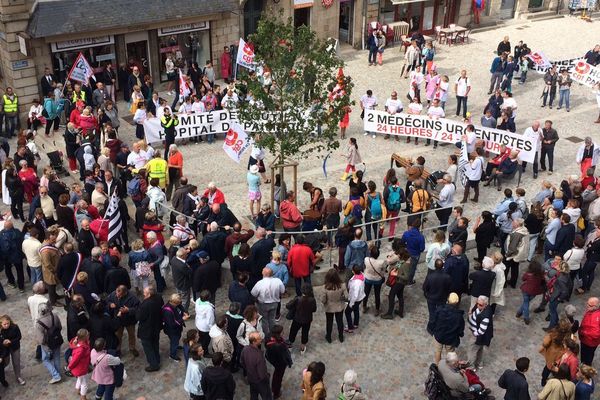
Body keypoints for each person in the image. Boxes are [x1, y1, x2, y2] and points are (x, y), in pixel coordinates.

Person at [251, 268, 285, 340]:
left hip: (263, 304)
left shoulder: (259, 283)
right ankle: (274, 334)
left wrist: (256, 301)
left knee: (264, 320)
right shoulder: (278, 281)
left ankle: (267, 336)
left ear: (264, 274)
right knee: (272, 319)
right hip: (275, 303)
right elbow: (283, 291)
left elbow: (253, 294)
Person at [430, 293, 464, 365]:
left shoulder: (440, 310)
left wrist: (433, 330)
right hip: (450, 339)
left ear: (448, 300)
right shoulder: (459, 316)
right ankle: (449, 367)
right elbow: (461, 330)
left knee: (438, 351)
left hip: (439, 335)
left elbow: (433, 321)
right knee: (450, 354)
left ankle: (438, 366)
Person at [136, 286, 164, 372]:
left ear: (148, 294)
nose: (143, 294)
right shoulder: (159, 297)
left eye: (144, 292)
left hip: (147, 330)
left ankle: (154, 365)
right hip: (156, 327)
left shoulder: (145, 304)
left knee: (148, 348)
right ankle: (157, 359)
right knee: (155, 344)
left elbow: (140, 317)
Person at [35, 302, 63, 384]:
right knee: (57, 357)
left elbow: (41, 340)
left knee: (45, 359)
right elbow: (60, 327)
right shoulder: (54, 316)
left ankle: (56, 375)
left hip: (47, 344)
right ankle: (58, 374)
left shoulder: (39, 323)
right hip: (57, 340)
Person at [381, 245, 411, 320]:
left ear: (402, 255)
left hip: (399, 282)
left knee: (391, 295)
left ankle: (389, 313)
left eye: (398, 255)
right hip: (399, 282)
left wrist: (396, 274)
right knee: (400, 295)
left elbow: (406, 277)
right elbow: (397, 266)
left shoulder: (406, 264)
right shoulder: (402, 261)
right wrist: (394, 269)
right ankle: (400, 312)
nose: (397, 256)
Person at [423, 259, 452, 333]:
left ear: (435, 266)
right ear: (442, 266)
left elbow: (425, 287)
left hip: (431, 298)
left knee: (432, 313)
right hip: (442, 298)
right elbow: (449, 288)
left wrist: (427, 294)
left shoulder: (430, 276)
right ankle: (438, 326)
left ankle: (431, 328)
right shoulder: (447, 277)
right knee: (440, 312)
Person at [240, 331, 272, 400]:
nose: (261, 340)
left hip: (251, 378)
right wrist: (267, 376)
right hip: (260, 382)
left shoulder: (245, 349)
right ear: (254, 342)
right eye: (259, 339)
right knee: (266, 396)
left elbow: (242, 362)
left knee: (253, 395)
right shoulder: (259, 355)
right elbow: (262, 374)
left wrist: (249, 370)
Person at [539, 319, 571, 386]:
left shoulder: (553, 333)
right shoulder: (568, 336)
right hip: (562, 354)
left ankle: (543, 380)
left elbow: (545, 343)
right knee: (557, 366)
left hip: (552, 353)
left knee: (548, 367)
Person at [265, 324, 292, 399]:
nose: (283, 333)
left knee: (276, 375)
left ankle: (275, 389)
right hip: (280, 364)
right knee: (278, 377)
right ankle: (276, 392)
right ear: (278, 334)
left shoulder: (268, 337)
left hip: (272, 359)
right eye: (282, 332)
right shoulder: (279, 346)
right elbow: (284, 356)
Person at [321, 268, 347, 343]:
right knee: (340, 322)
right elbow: (346, 296)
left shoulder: (325, 287)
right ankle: (341, 336)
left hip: (329, 307)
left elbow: (323, 300)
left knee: (329, 322)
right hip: (339, 306)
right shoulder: (342, 286)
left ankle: (329, 337)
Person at [162, 293, 189, 362]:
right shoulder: (167, 311)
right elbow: (172, 324)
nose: (179, 304)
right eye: (178, 303)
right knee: (174, 341)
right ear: (174, 302)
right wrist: (183, 319)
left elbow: (181, 307)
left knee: (176, 339)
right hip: (172, 330)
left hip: (177, 328)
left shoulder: (175, 304)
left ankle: (176, 346)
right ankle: (173, 355)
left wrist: (184, 311)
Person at [505, 218, 530, 288]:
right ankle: (513, 283)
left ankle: (503, 283)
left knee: (506, 268)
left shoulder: (516, 234)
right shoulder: (524, 230)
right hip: (520, 254)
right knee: (515, 268)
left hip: (514, 254)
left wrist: (507, 254)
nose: (512, 223)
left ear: (517, 225)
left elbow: (512, 247)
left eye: (513, 223)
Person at [0, 315, 25, 385]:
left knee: (16, 363)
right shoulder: (1, 330)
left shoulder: (15, 327)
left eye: (7, 323)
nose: (6, 325)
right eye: (4, 324)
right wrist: (3, 341)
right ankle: (2, 370)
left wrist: (10, 341)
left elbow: (19, 337)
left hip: (15, 347)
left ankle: (18, 377)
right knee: (6, 362)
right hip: (5, 349)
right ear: (1, 324)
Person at [67, 328, 91, 400]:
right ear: (84, 337)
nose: (89, 335)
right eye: (87, 335)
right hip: (81, 368)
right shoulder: (81, 349)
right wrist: (69, 367)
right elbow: (74, 360)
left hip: (80, 368)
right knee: (84, 383)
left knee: (80, 379)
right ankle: (83, 397)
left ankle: (77, 390)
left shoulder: (78, 343)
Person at [402, 218, 425, 285]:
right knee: (412, 269)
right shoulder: (421, 237)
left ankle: (401, 277)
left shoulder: (406, 233)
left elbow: (402, 242)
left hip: (406, 253)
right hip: (415, 255)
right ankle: (409, 281)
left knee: (403, 265)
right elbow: (422, 249)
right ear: (419, 226)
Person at [579, 297, 600, 366]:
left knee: (588, 356)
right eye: (587, 303)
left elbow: (595, 334)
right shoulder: (591, 310)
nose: (587, 306)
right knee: (583, 353)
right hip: (585, 339)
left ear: (595, 306)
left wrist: (584, 332)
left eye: (589, 305)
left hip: (589, 342)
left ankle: (586, 370)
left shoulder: (596, 318)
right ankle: (583, 364)